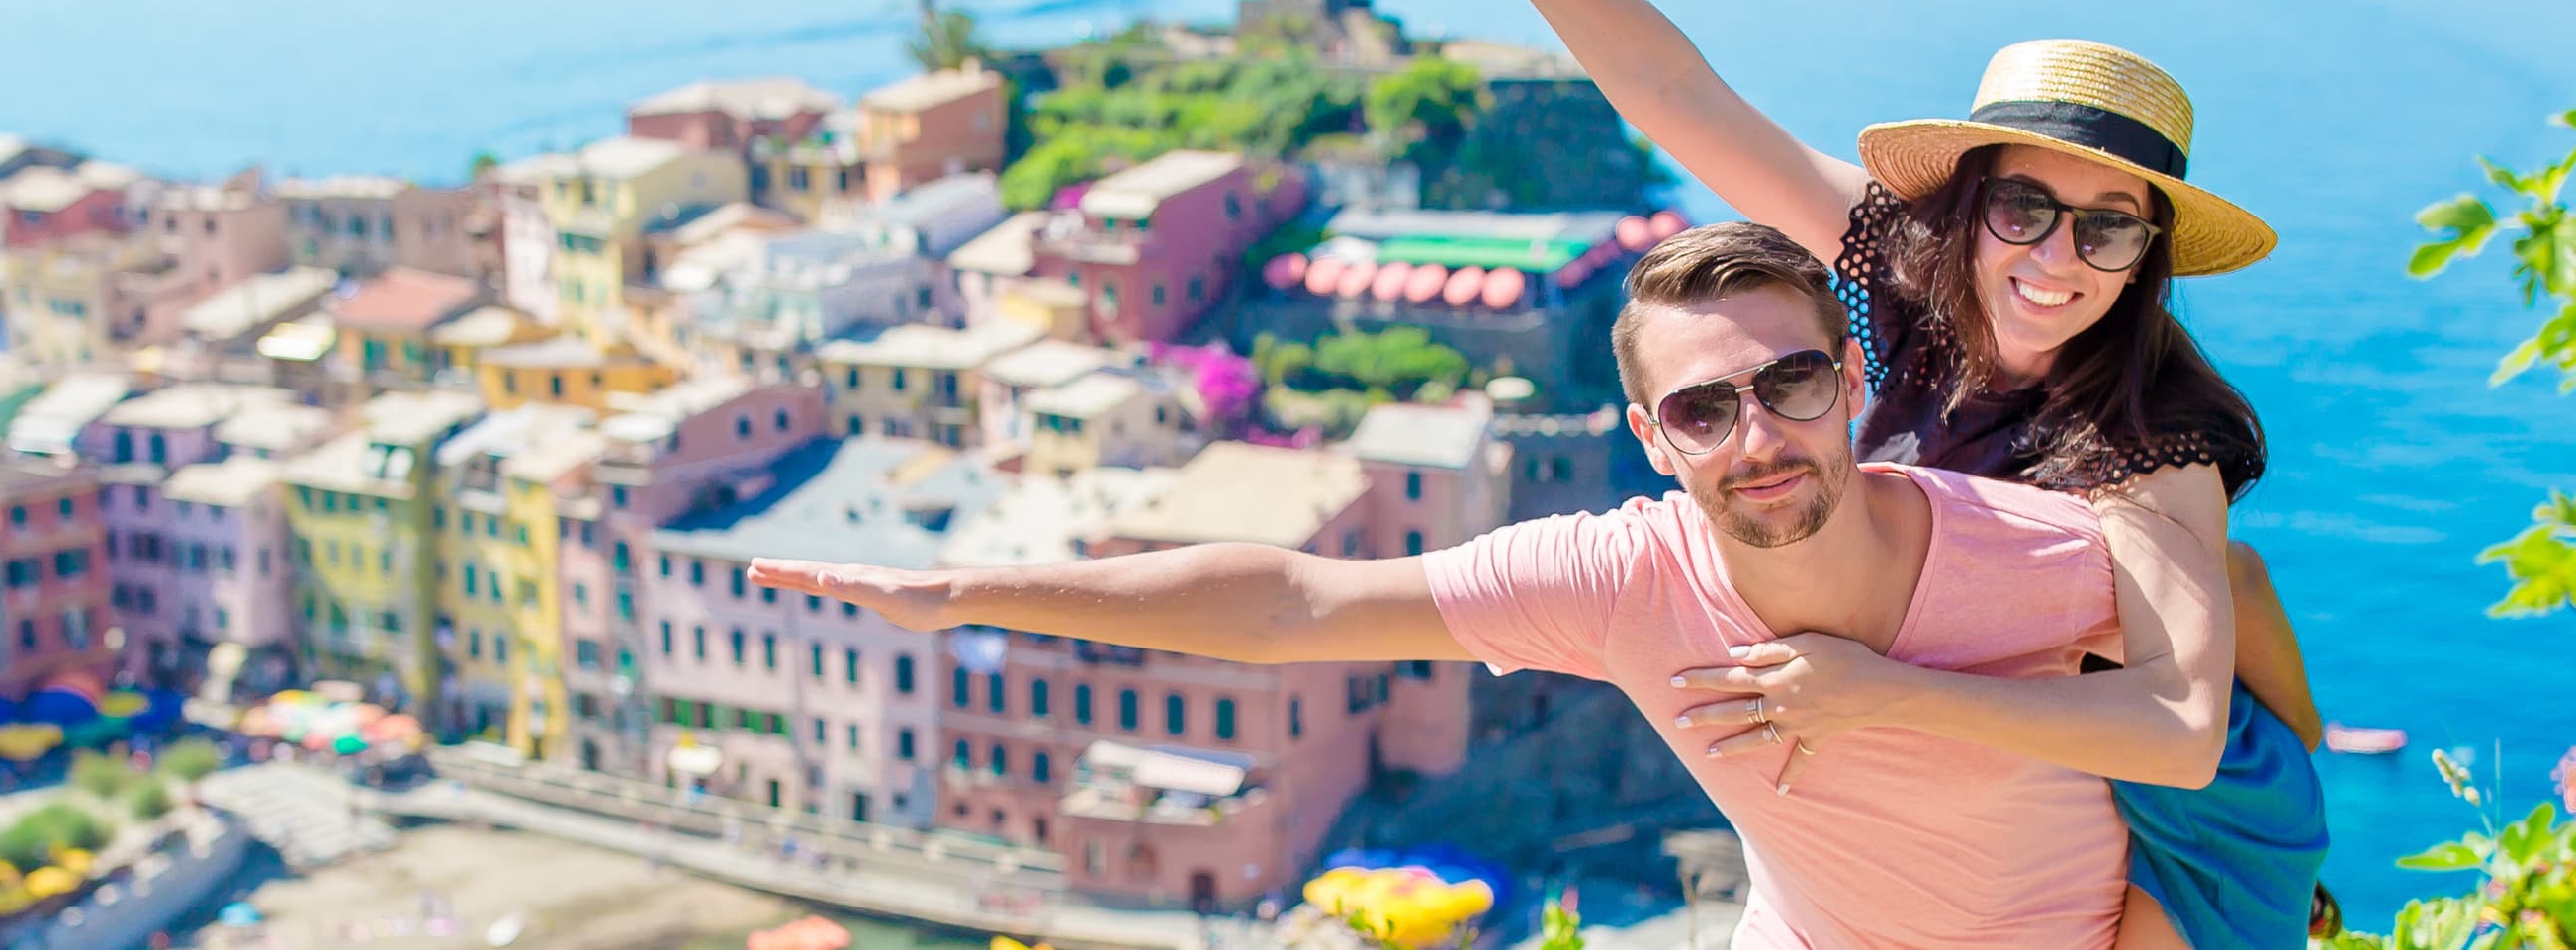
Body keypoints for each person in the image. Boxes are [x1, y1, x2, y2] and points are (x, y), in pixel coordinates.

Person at [1299, 0, 2329, 946]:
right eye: (2024, 210)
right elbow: (1676, 92)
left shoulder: (2155, 433)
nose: (2055, 261)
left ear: (2151, 253)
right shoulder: (1910, 275)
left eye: (2108, 231)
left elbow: (2180, 732)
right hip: (1997, 761)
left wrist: (1882, 696)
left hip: (2171, 805)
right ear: (1967, 205)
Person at [761, 222, 2143, 948]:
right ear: (1654, 442)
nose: (1760, 435)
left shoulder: (2048, 550)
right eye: (1705, 407)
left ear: (1850, 387)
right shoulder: (1619, 575)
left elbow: (2229, 691)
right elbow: (1296, 602)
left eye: (1791, 382)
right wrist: (967, 592)